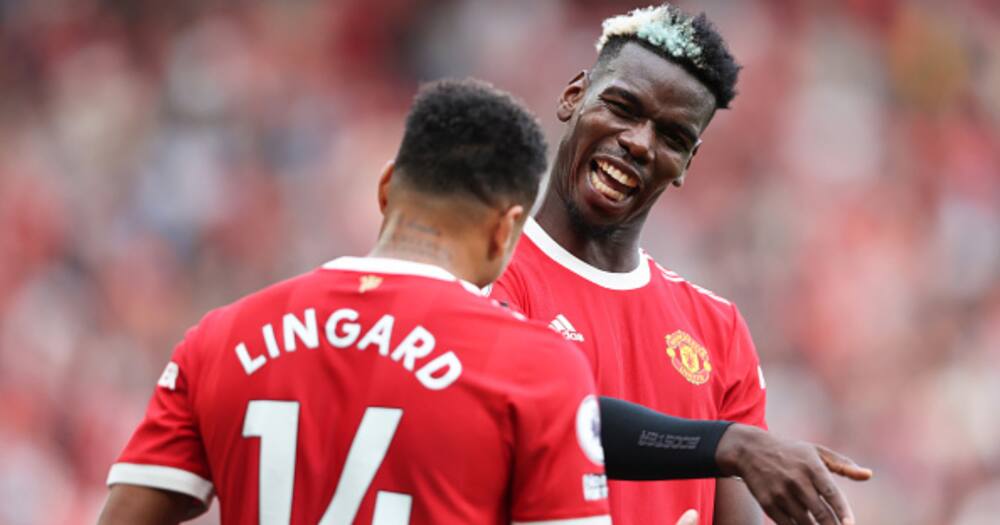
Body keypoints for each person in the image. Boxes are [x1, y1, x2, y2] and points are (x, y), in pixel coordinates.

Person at [98, 78, 623, 525]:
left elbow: (123, 515)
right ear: (507, 228)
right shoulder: (537, 369)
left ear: (387, 186)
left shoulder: (220, 339)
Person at [488, 5, 870, 525]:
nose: (638, 143)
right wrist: (724, 444)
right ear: (574, 95)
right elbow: (542, 416)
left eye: (671, 138)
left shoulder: (717, 330)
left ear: (687, 163)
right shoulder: (488, 272)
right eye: (622, 107)